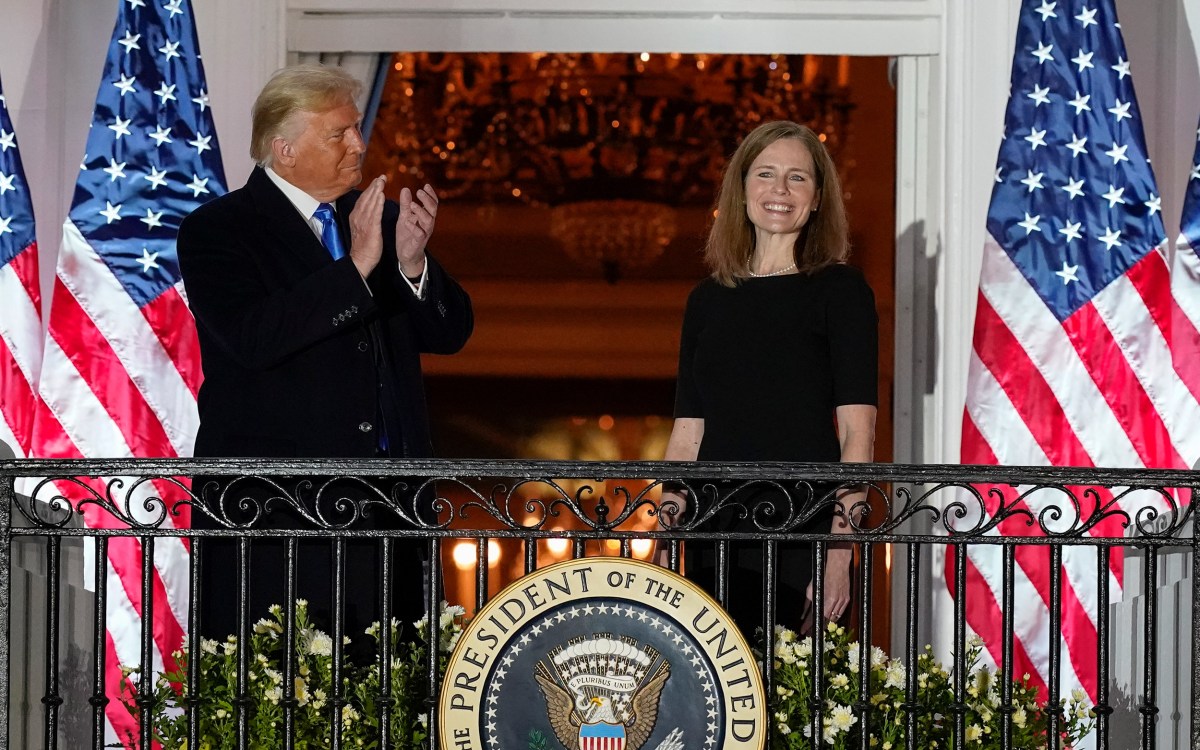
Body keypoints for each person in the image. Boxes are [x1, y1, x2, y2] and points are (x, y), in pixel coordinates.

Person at [178, 64, 473, 643]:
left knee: (390, 704)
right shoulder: (219, 230)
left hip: (391, 512)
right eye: (338, 133)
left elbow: (451, 333)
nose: (358, 145)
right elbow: (253, 339)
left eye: (356, 129)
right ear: (283, 149)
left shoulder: (379, 220)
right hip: (279, 516)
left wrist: (412, 265)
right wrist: (356, 270)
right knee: (284, 708)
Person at [659, 120, 877, 638]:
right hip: (712, 529)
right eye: (766, 174)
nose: (780, 190)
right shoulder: (706, 300)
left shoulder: (841, 292)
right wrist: (665, 535)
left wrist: (841, 551)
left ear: (818, 198)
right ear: (741, 190)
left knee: (783, 699)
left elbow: (858, 433)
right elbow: (687, 431)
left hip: (800, 530)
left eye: (797, 178)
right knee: (714, 695)